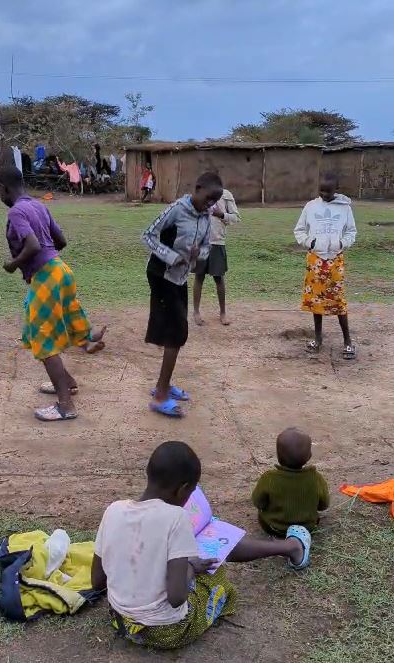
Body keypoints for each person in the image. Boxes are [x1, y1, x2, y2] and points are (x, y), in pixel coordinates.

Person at [91, 441, 311, 650]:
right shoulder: (176, 518)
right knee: (217, 573)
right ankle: (292, 547)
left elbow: (97, 581)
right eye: (191, 492)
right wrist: (190, 568)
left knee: (193, 556)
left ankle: (289, 547)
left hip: (119, 620)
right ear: (183, 489)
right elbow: (177, 598)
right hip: (167, 631)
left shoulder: (114, 510)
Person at [0, 165, 106, 422]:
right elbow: (61, 241)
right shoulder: (38, 206)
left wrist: (13, 265)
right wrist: (45, 256)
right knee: (54, 324)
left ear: (4, 187)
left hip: (47, 275)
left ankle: (65, 406)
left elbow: (32, 245)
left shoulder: (16, 212)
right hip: (61, 270)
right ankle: (69, 381)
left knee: (43, 338)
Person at [141, 172, 222, 417]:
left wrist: (198, 255)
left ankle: (163, 385)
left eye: (213, 202)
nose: (209, 205)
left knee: (174, 333)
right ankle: (160, 395)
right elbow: (147, 235)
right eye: (207, 198)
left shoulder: (206, 216)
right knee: (176, 335)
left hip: (180, 278)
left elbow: (207, 247)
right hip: (161, 275)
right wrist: (172, 256)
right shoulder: (176, 209)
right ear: (197, 188)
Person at [294, 174, 357, 359]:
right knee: (315, 301)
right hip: (315, 259)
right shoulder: (311, 207)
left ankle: (348, 343)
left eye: (328, 191)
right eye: (321, 190)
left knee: (338, 300)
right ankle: (318, 339)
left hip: (335, 260)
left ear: (336, 189)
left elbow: (351, 231)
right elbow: (299, 229)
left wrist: (341, 243)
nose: (324, 194)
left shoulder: (345, 208)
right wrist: (309, 243)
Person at [252, 428, 330, 537]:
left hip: (273, 528)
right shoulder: (316, 478)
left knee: (261, 515)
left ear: (278, 456)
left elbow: (258, 502)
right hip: (307, 529)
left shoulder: (269, 478)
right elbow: (323, 505)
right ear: (309, 456)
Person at [193, 187, 241, 326]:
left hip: (218, 242)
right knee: (199, 276)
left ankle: (223, 313)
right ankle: (196, 312)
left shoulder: (226, 195)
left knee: (219, 278)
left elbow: (236, 218)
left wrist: (221, 215)